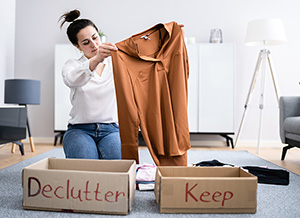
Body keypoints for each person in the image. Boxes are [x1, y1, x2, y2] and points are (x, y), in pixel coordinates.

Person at [59, 9, 120, 160]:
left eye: (95, 38)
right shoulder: (72, 65)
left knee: (119, 168)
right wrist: (97, 59)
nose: (94, 45)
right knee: (85, 170)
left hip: (111, 129)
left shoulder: (115, 64)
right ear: (77, 46)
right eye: (86, 42)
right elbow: (72, 80)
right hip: (80, 130)